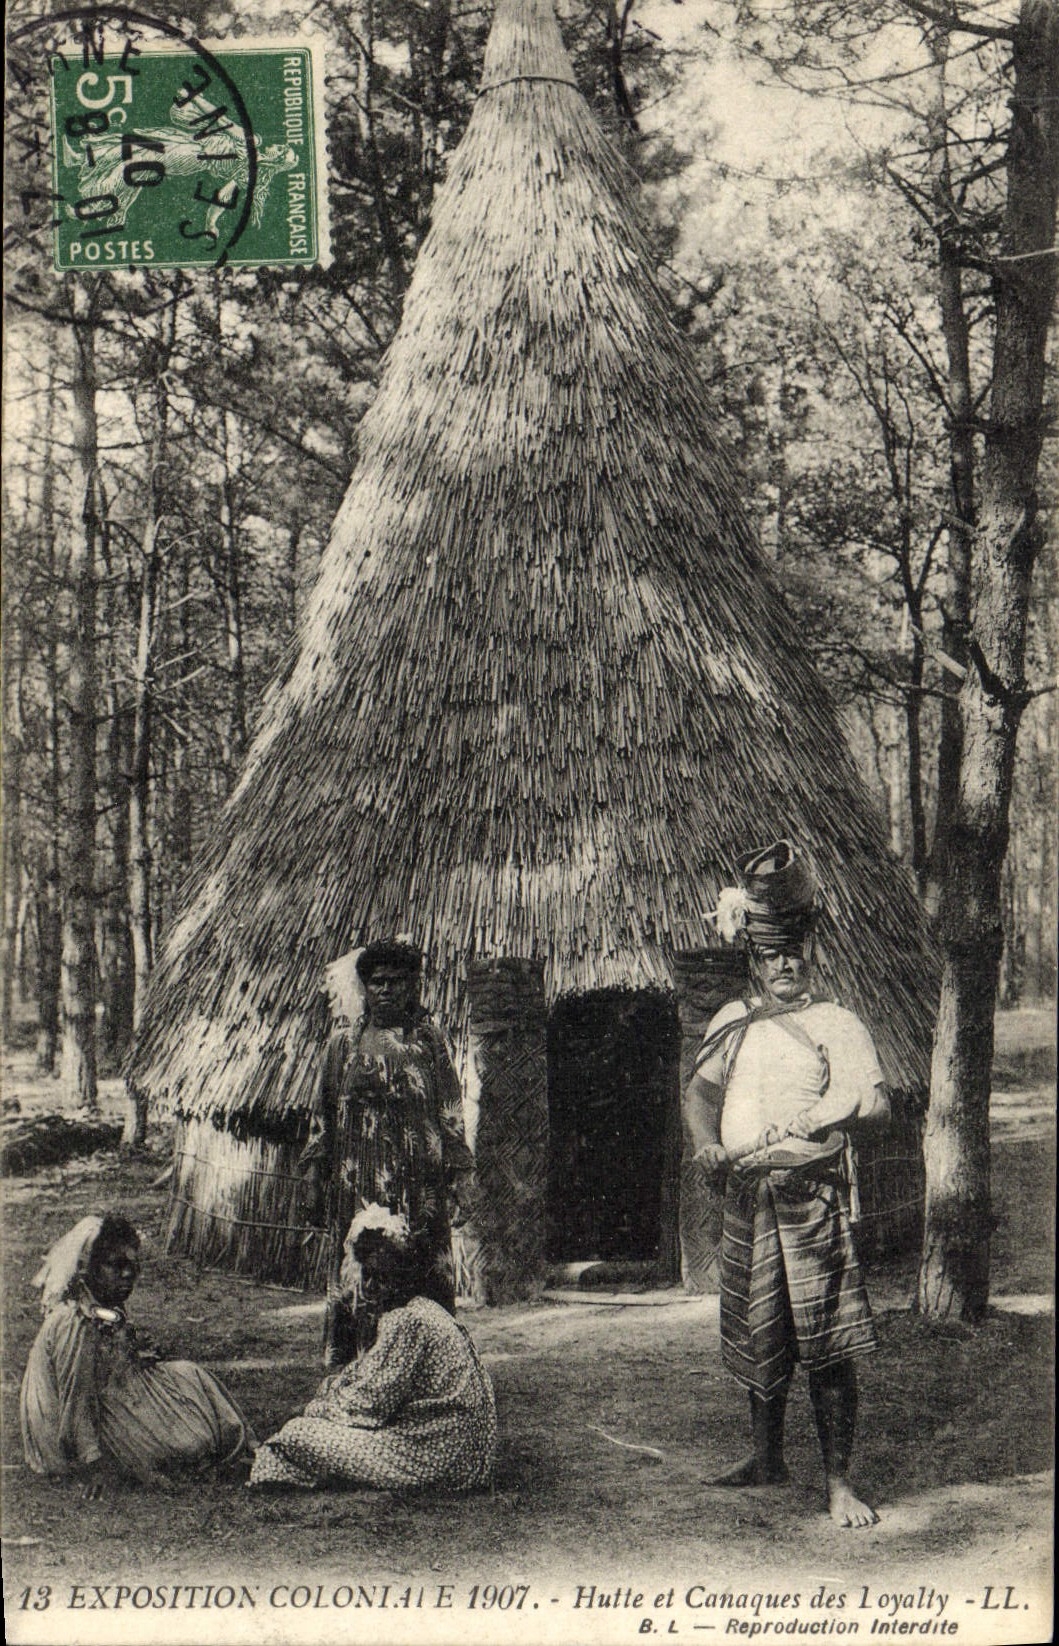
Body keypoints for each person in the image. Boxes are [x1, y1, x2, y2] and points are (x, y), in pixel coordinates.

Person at [683, 840, 890, 1529]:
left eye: (793, 951)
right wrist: (708, 1143)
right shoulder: (732, 1023)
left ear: (810, 953)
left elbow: (877, 1105)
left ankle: (838, 1484)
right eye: (770, 954)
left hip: (811, 1201)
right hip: (749, 1197)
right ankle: (765, 1457)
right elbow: (698, 1095)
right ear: (753, 957)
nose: (783, 965)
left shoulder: (838, 1024)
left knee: (825, 1346)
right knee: (755, 1333)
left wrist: (851, 1112)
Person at [301, 939, 477, 1366]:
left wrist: (462, 1176)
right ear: (364, 987)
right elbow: (321, 1115)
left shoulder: (429, 1042)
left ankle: (426, 1369)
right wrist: (313, 1177)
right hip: (356, 1184)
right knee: (361, 1274)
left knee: (420, 1274)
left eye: (396, 983)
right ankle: (358, 1367)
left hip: (421, 1190)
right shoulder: (342, 1044)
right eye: (377, 982)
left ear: (412, 987)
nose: (385, 990)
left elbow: (450, 1110)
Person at [248, 1205, 496, 1492]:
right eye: (370, 1277)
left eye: (383, 1277)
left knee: (296, 1434)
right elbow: (376, 1380)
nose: (374, 1286)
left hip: (439, 1455)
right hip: (460, 1449)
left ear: (403, 1274)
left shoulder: (408, 1321)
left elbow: (370, 1404)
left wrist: (320, 1407)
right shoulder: (426, 1311)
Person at [20, 1213, 256, 1497]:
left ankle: (245, 1449)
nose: (128, 1275)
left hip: (105, 1395)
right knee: (189, 1442)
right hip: (70, 1424)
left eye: (133, 1266)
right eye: (117, 1266)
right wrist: (93, 1465)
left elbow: (111, 1355)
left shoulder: (102, 1305)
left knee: (190, 1374)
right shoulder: (75, 1321)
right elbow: (75, 1398)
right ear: (90, 1268)